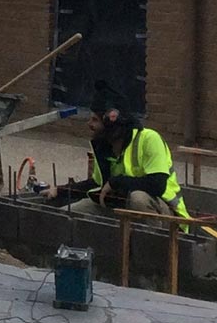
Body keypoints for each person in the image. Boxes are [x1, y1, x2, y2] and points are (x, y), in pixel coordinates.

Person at [64, 82, 190, 224]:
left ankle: (153, 243)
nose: (89, 124)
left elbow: (157, 185)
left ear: (112, 124)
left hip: (168, 216)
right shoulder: (105, 148)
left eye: (95, 120)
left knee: (138, 198)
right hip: (122, 207)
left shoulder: (149, 139)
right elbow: (97, 184)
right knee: (70, 213)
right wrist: (61, 191)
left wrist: (117, 182)